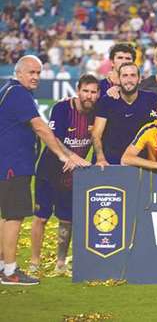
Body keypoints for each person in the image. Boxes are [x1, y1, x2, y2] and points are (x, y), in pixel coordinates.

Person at [0, 56, 89, 285]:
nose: (36, 77)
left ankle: (3, 265)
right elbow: (40, 127)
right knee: (14, 216)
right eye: (31, 72)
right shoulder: (19, 93)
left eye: (38, 73)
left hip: (9, 164)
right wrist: (63, 155)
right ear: (18, 73)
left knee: (7, 215)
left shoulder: (10, 90)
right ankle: (10, 272)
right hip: (14, 165)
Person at [30, 75, 101, 274]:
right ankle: (34, 262)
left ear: (98, 94)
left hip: (72, 176)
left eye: (93, 92)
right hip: (49, 171)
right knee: (41, 217)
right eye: (85, 91)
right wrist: (72, 157)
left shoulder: (97, 113)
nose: (89, 95)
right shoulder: (62, 109)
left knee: (66, 220)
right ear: (78, 90)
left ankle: (60, 263)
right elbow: (55, 140)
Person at [91, 62, 157, 166]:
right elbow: (96, 134)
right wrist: (100, 159)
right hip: (112, 164)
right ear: (119, 79)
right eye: (125, 76)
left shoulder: (152, 99)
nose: (129, 80)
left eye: (133, 75)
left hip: (142, 163)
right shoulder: (106, 101)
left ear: (139, 79)